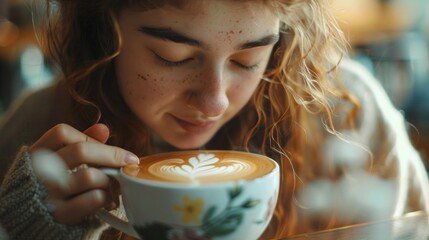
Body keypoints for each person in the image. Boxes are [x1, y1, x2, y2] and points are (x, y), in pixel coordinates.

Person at [0, 0, 428, 239]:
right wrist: (28, 226)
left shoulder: (348, 115)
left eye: (247, 60)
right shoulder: (44, 131)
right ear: (104, 30)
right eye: (175, 57)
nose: (214, 101)